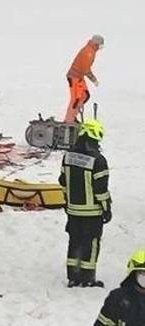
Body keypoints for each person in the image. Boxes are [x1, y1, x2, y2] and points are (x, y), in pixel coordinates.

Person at [61, 119, 112, 288]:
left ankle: (73, 276)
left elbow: (63, 182)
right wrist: (106, 208)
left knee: (74, 241)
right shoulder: (98, 160)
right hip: (92, 212)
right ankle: (87, 277)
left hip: (73, 210)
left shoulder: (68, 156)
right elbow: (101, 189)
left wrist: (67, 203)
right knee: (91, 243)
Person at [67, 35, 105, 123]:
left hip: (79, 77)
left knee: (85, 95)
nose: (101, 47)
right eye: (101, 45)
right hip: (74, 77)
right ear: (96, 44)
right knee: (76, 99)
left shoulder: (91, 51)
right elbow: (85, 69)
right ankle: (69, 120)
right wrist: (94, 80)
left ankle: (73, 116)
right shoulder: (88, 53)